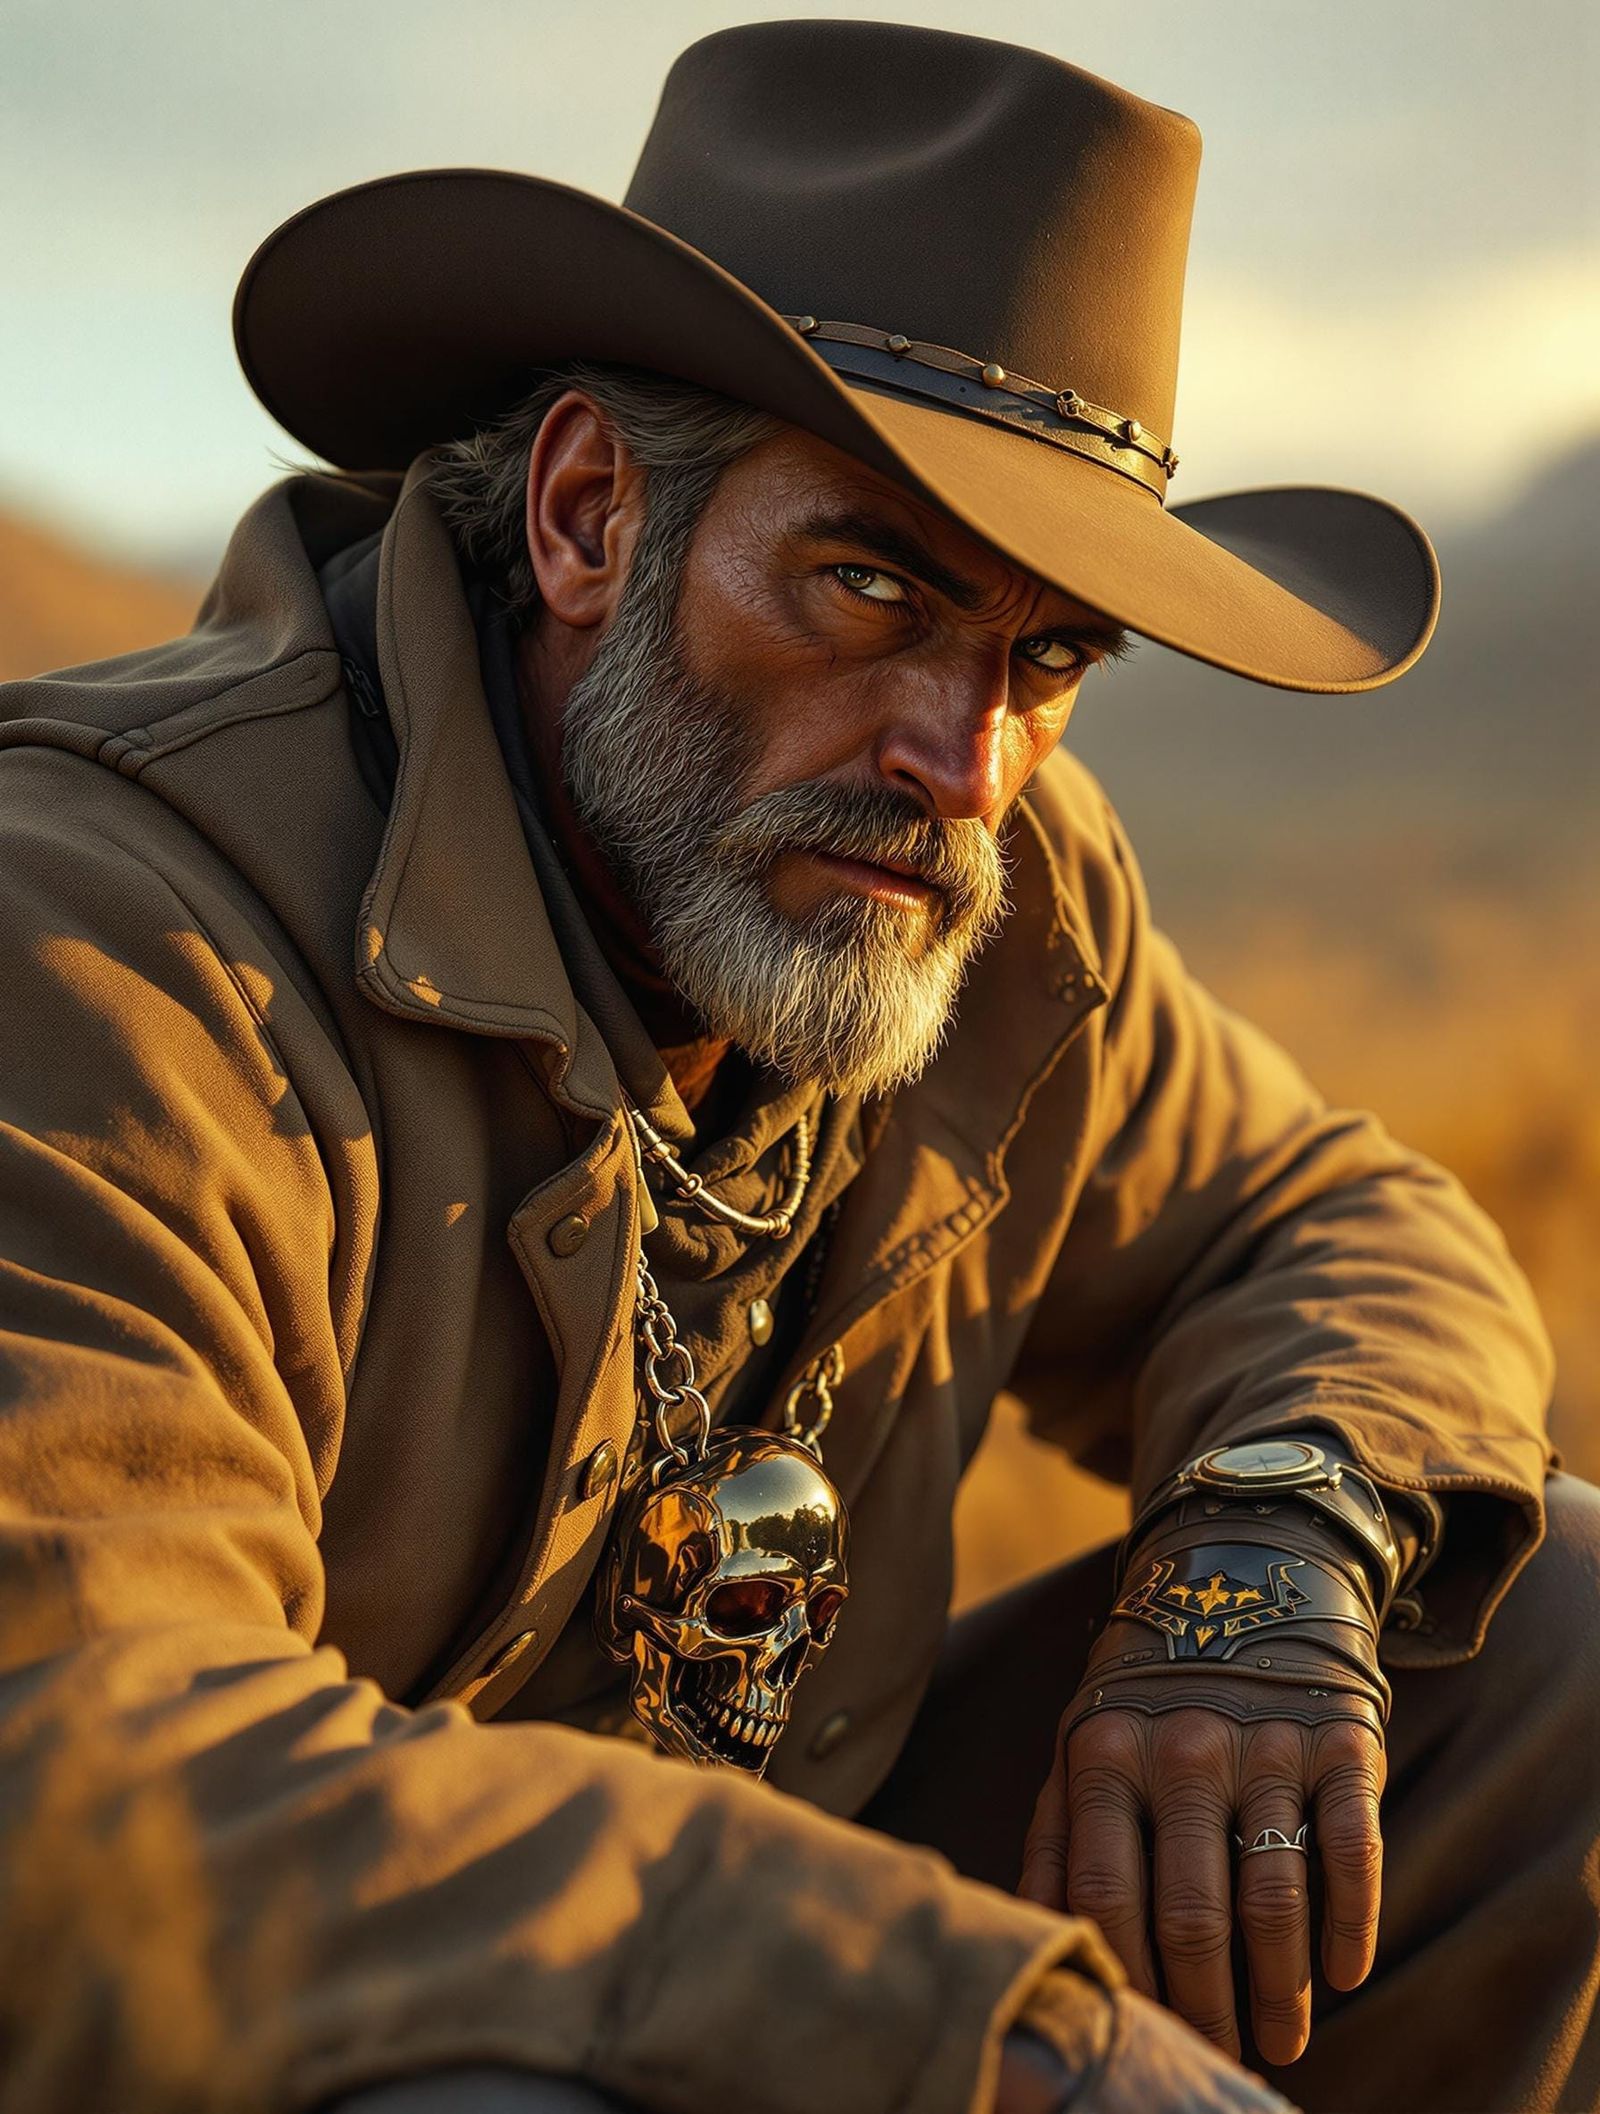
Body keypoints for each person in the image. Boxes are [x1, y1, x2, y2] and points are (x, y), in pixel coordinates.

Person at [0, 20, 1594, 2114]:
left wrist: (1263, 1555)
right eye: (867, 586)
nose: (965, 761)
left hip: (788, 1948)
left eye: (1044, 654)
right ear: (587, 514)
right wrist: (992, 2033)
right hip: (302, 2014)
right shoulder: (102, 944)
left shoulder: (989, 905)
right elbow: (94, 1774)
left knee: (1551, 1642)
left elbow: (1327, 1221)